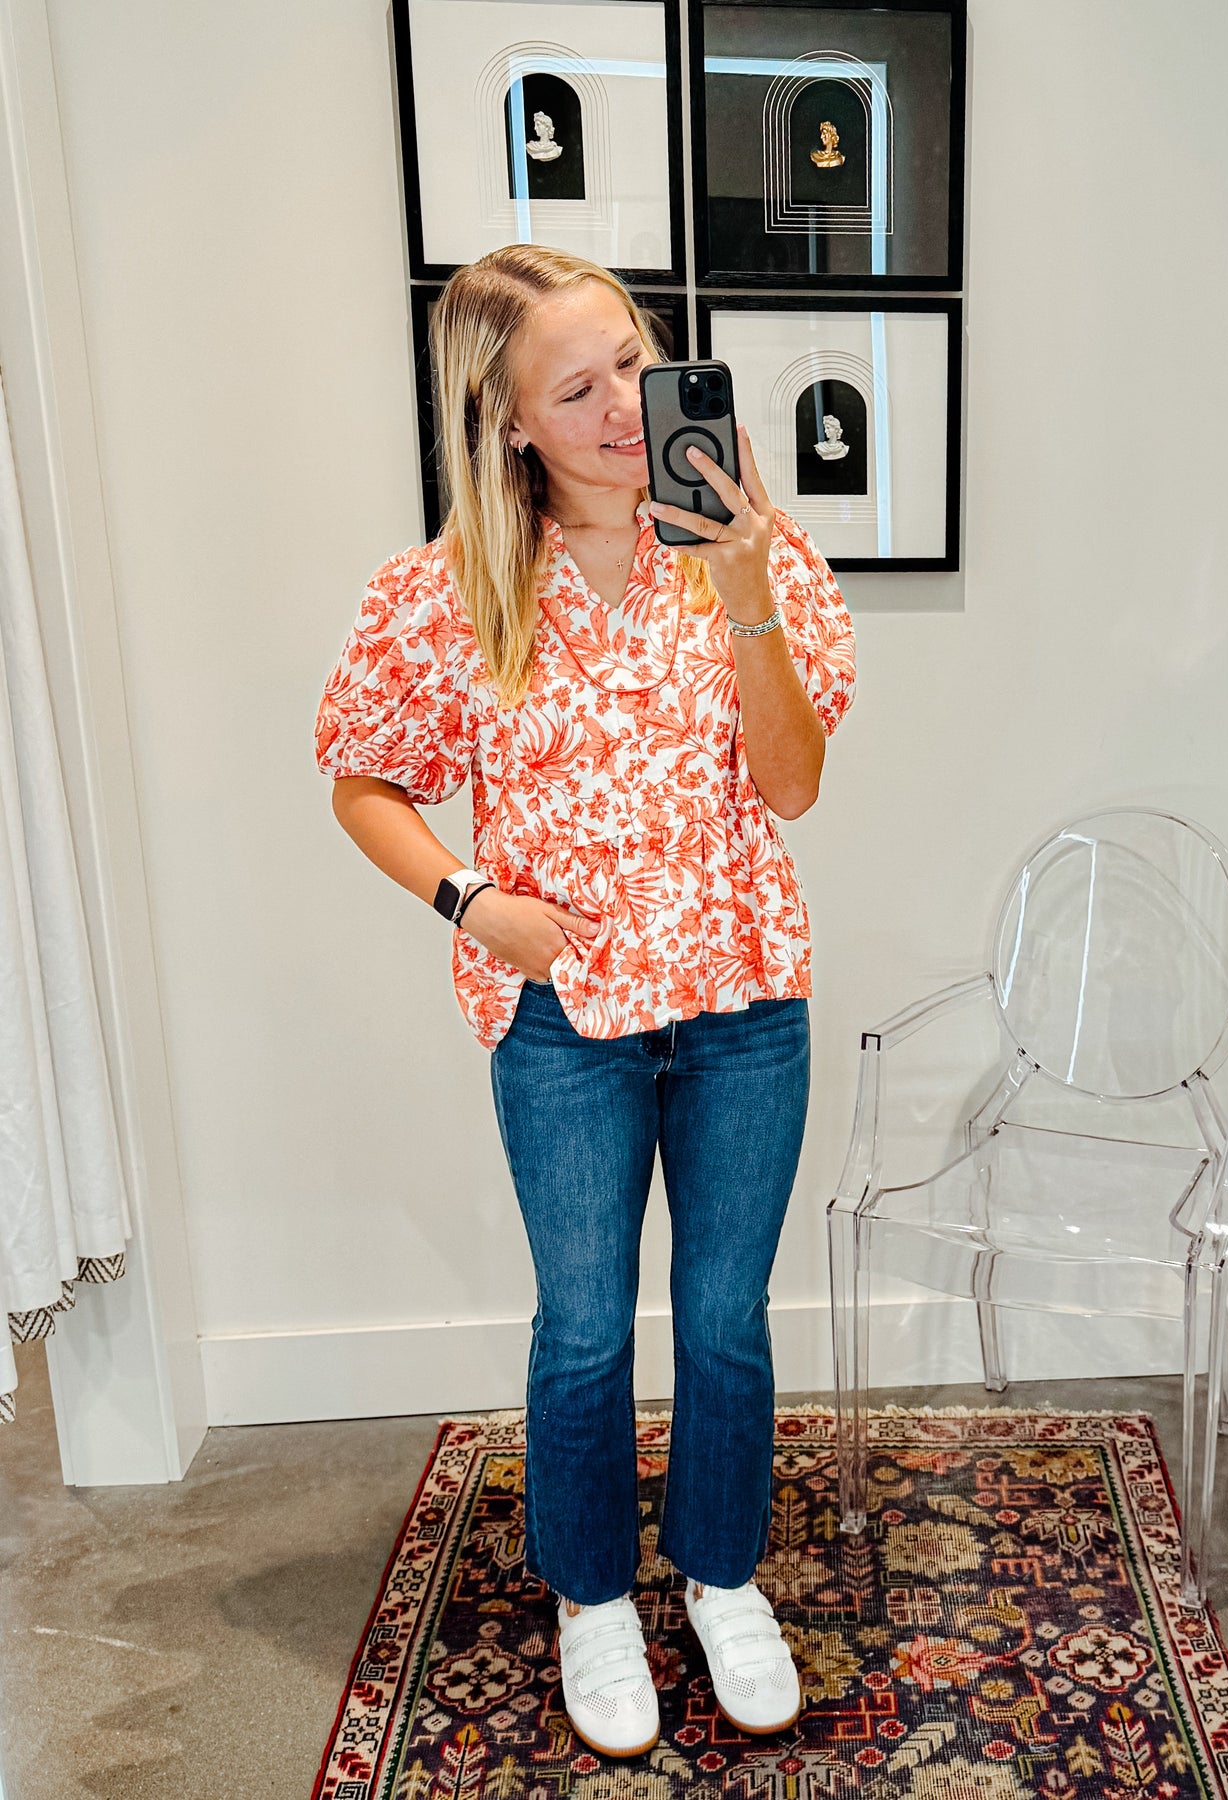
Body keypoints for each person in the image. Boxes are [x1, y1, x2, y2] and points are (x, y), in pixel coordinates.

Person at [314, 243, 857, 1760]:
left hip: (744, 999)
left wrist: (743, 590)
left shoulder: (756, 552)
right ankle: (594, 1599)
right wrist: (470, 902)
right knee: (582, 1330)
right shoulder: (445, 590)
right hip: (564, 1024)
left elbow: (794, 786)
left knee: (727, 1320)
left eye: (632, 359)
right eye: (577, 388)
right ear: (507, 421)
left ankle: (723, 1578)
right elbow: (361, 779)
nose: (625, 404)